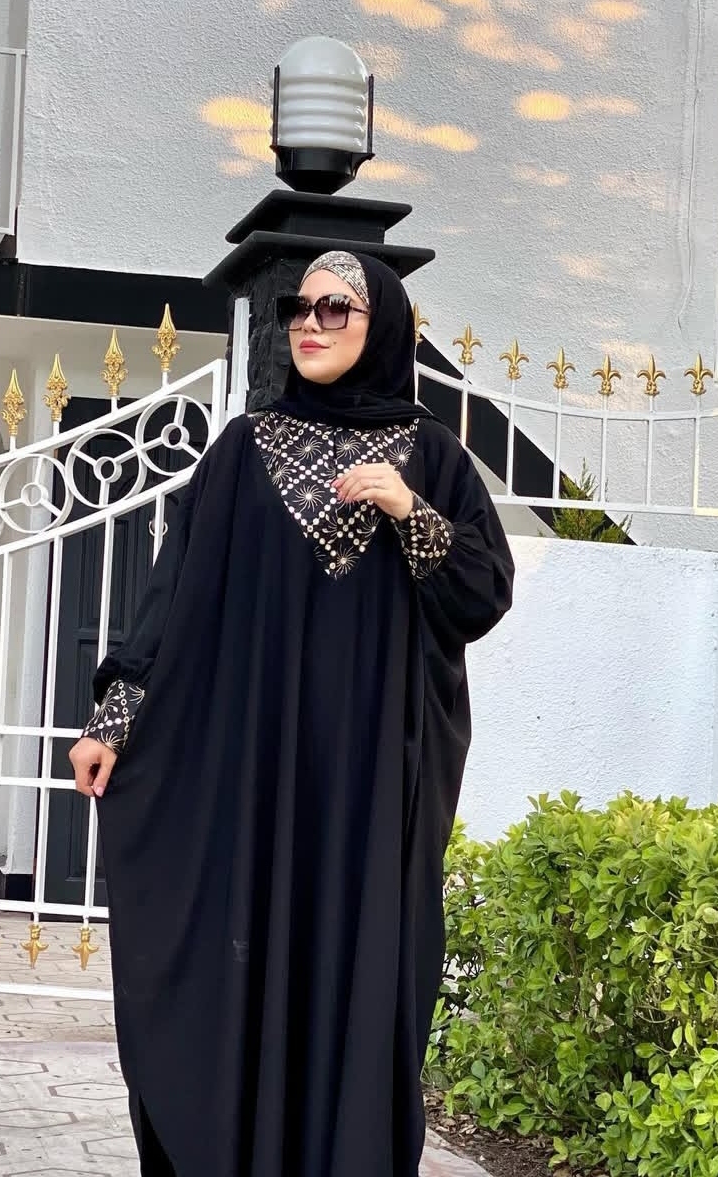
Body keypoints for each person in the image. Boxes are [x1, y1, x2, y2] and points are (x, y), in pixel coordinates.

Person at [69, 250, 514, 1176]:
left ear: (382, 325)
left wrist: (409, 509)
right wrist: (115, 716)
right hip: (256, 770)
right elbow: (175, 594)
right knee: (238, 952)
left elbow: (482, 595)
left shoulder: (433, 455)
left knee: (360, 964)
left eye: (334, 308)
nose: (308, 323)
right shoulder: (243, 449)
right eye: (298, 306)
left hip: (372, 780)